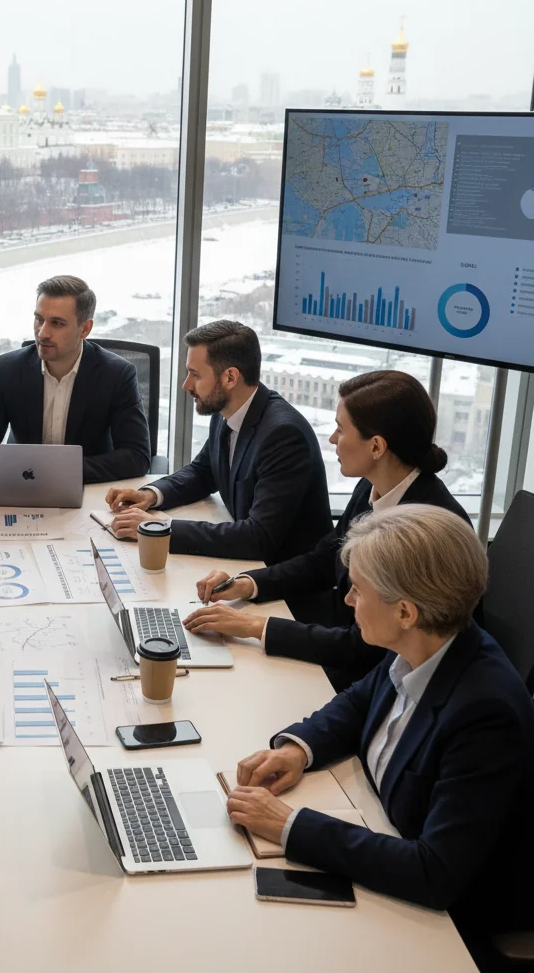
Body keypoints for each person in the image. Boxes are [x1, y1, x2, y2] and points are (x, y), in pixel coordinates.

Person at [226, 505, 534, 966]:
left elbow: (434, 873)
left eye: (358, 590)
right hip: (377, 832)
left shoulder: (486, 713)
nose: (348, 601)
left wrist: (290, 826)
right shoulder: (422, 645)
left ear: (406, 611)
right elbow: (357, 702)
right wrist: (298, 749)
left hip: (438, 927)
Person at [186, 370, 472, 691]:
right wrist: (247, 584)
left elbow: (366, 649)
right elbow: (323, 559)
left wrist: (257, 627)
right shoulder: (372, 486)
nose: (333, 439)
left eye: (340, 429)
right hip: (340, 639)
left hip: (379, 679)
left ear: (376, 446)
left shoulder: (428, 531)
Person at [105, 320, 330, 565]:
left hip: (283, 582)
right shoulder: (227, 410)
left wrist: (161, 528)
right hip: (243, 564)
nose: (186, 385)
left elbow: (259, 537)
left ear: (230, 377)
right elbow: (203, 472)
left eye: (195, 374)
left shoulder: (283, 436)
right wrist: (150, 495)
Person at [0, 275, 151, 484]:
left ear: (85, 328)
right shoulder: (9, 368)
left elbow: (137, 456)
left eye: (57, 323)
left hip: (86, 490)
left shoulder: (116, 375)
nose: (43, 333)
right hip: (21, 488)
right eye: (39, 319)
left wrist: (58, 471)